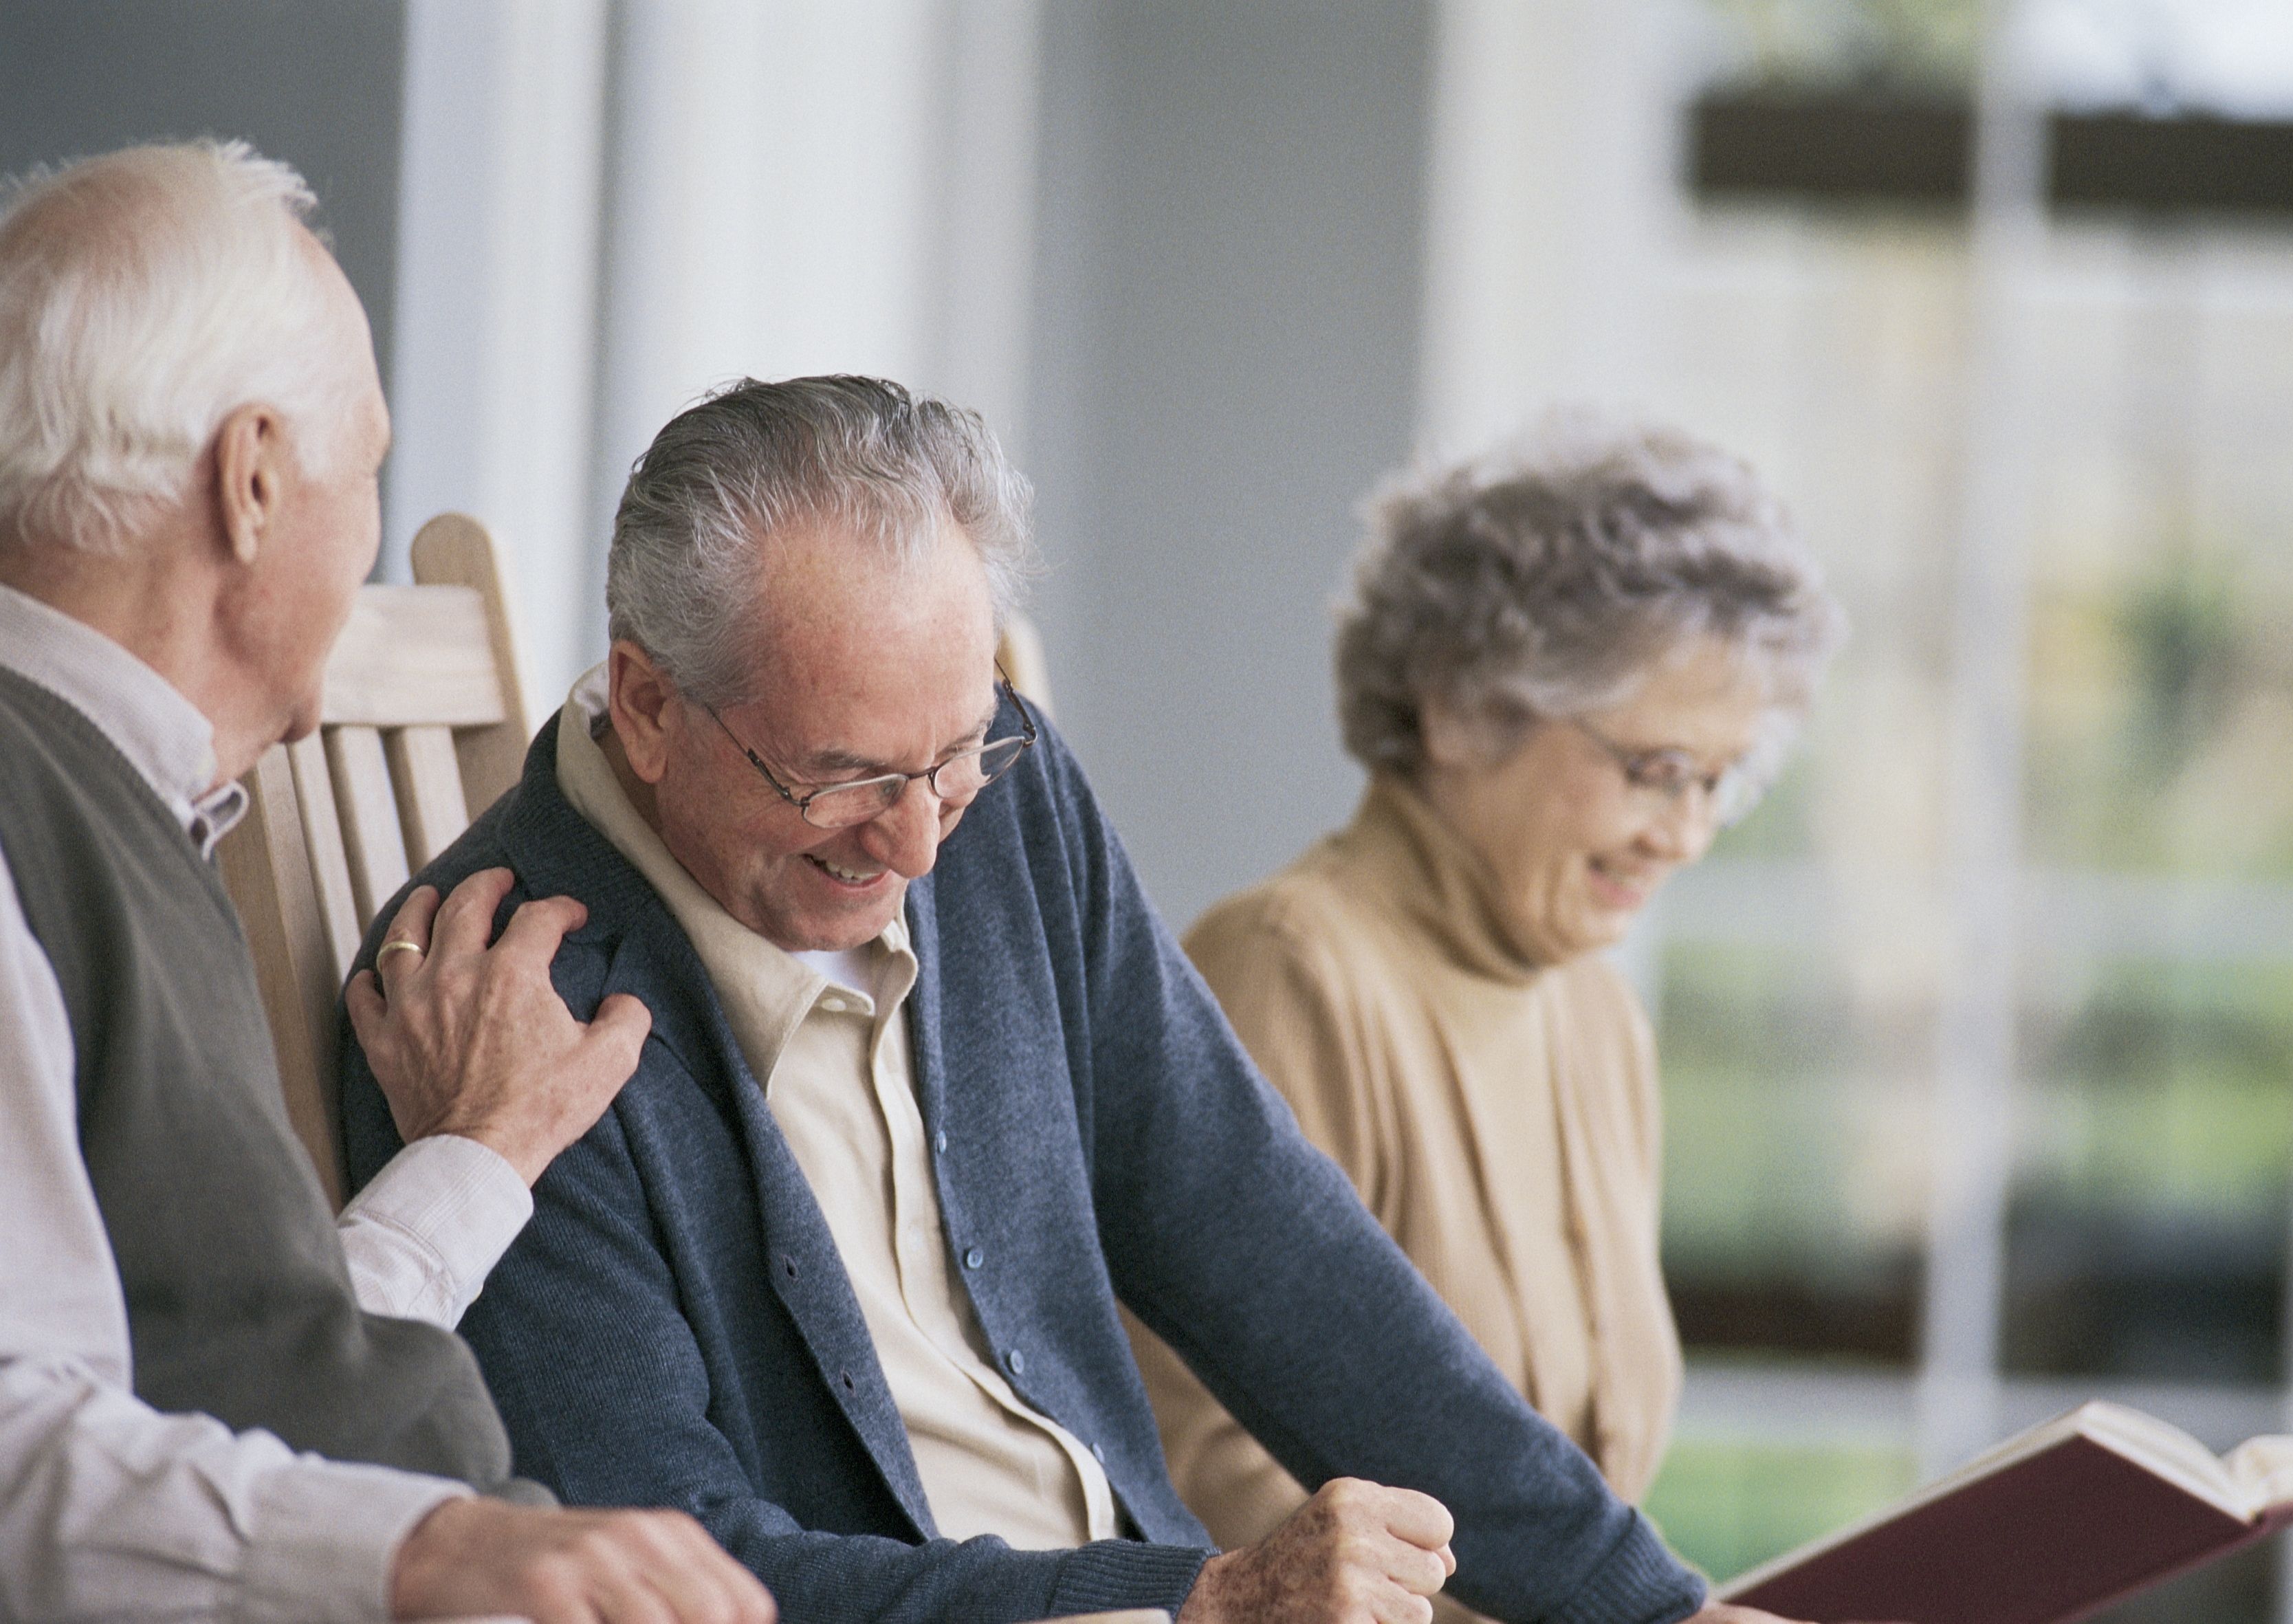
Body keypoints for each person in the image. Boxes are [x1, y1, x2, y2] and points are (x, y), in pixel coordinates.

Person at [337, 375, 1814, 1624]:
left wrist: (1653, 1606)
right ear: (649, 705)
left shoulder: (999, 806)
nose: (918, 844)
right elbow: (669, 1562)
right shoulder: (506, 1017)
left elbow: (1257, 1230)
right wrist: (1192, 1598)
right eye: (844, 776)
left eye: (957, 751)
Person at [0, 140, 771, 1623]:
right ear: (255, 481)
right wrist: (425, 1546)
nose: (368, 537)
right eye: (373, 472)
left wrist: (474, 1158)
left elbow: (228, 1370)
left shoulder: (125, 803)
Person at [1125, 421, 1843, 1612]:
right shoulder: (1289, 967)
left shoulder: (1601, 1019)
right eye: (1652, 769)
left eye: (1720, 780)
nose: (1686, 834)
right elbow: (1199, 1475)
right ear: (1460, 710)